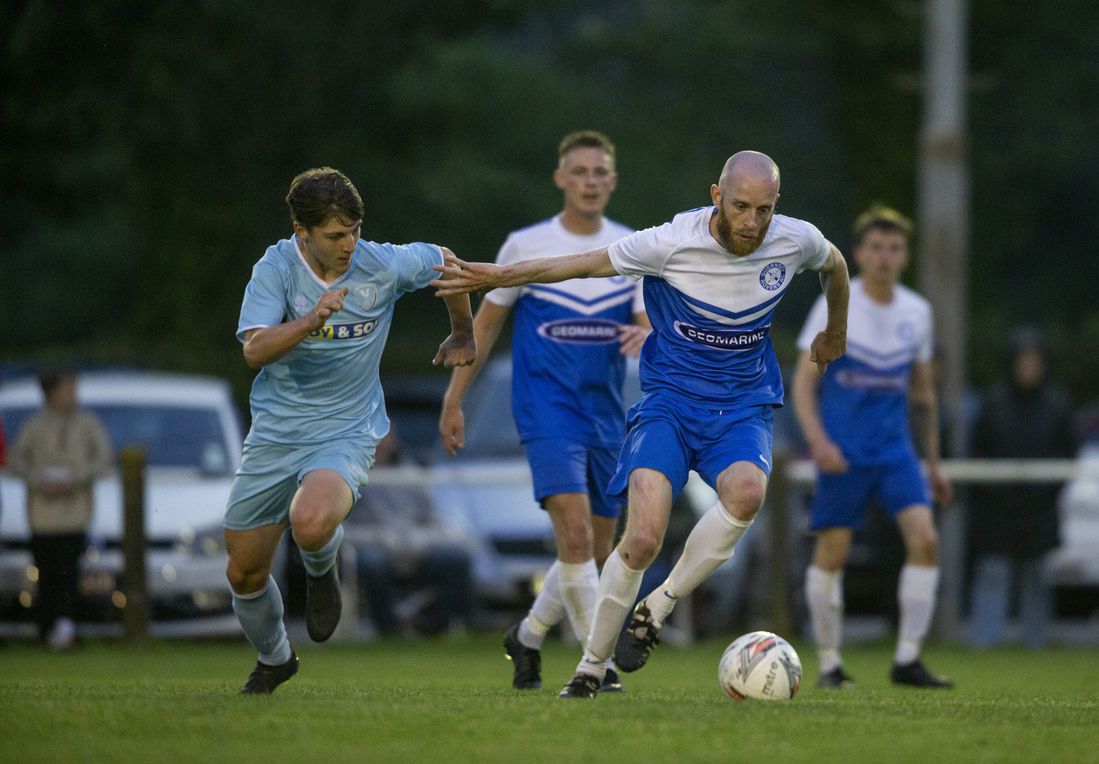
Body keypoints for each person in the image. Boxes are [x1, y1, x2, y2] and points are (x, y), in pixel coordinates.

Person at [435, 151, 850, 698]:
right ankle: (588, 668)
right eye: (742, 207)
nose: (752, 223)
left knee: (748, 494)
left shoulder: (795, 240)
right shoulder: (670, 242)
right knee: (641, 538)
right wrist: (500, 275)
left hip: (742, 406)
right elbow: (579, 264)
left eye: (765, 210)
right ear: (716, 196)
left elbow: (836, 267)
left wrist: (836, 330)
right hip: (669, 405)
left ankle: (658, 607)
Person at [224, 167, 476, 694]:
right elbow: (254, 351)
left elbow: (448, 263)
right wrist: (310, 320)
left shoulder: (379, 263)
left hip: (347, 428)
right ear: (302, 232)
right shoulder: (275, 270)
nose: (348, 245)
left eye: (354, 231)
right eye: (335, 236)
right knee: (244, 573)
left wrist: (460, 331)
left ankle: (322, 567)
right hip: (276, 431)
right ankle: (275, 658)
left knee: (311, 522)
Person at [439, 130, 649, 693]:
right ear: (561, 179)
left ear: (612, 180)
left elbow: (648, 324)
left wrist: (643, 334)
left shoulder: (629, 248)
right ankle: (595, 668)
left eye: (599, 172)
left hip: (607, 416)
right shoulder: (525, 244)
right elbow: (481, 327)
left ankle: (527, 636)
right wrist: (454, 399)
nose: (589, 181)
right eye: (579, 171)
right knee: (576, 538)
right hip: (545, 411)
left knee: (595, 552)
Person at [793, 205, 955, 689]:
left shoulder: (916, 311)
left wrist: (934, 463)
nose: (885, 257)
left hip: (895, 452)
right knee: (834, 551)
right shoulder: (835, 304)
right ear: (859, 254)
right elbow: (803, 384)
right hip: (844, 453)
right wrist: (818, 442)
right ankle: (829, 664)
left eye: (895, 248)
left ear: (905, 256)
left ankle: (907, 659)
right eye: (877, 248)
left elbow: (923, 395)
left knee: (925, 539)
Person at [968, 326, 1075, 649]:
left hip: (1039, 509)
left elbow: (1069, 455)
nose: (1028, 368)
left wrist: (1044, 491)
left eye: (1034, 361)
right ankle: (984, 645)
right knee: (992, 576)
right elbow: (977, 453)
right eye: (1022, 361)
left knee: (1038, 580)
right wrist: (996, 493)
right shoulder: (994, 403)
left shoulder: (1057, 406)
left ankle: (1036, 645)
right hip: (997, 509)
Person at [7, 371, 113, 650]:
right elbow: (15, 460)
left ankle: (67, 627)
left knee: (69, 574)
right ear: (50, 393)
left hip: (74, 515)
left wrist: (75, 478)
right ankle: (46, 629)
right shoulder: (34, 426)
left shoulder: (87, 425)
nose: (73, 396)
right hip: (42, 517)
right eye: (67, 390)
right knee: (47, 575)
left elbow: (103, 460)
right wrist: (38, 479)